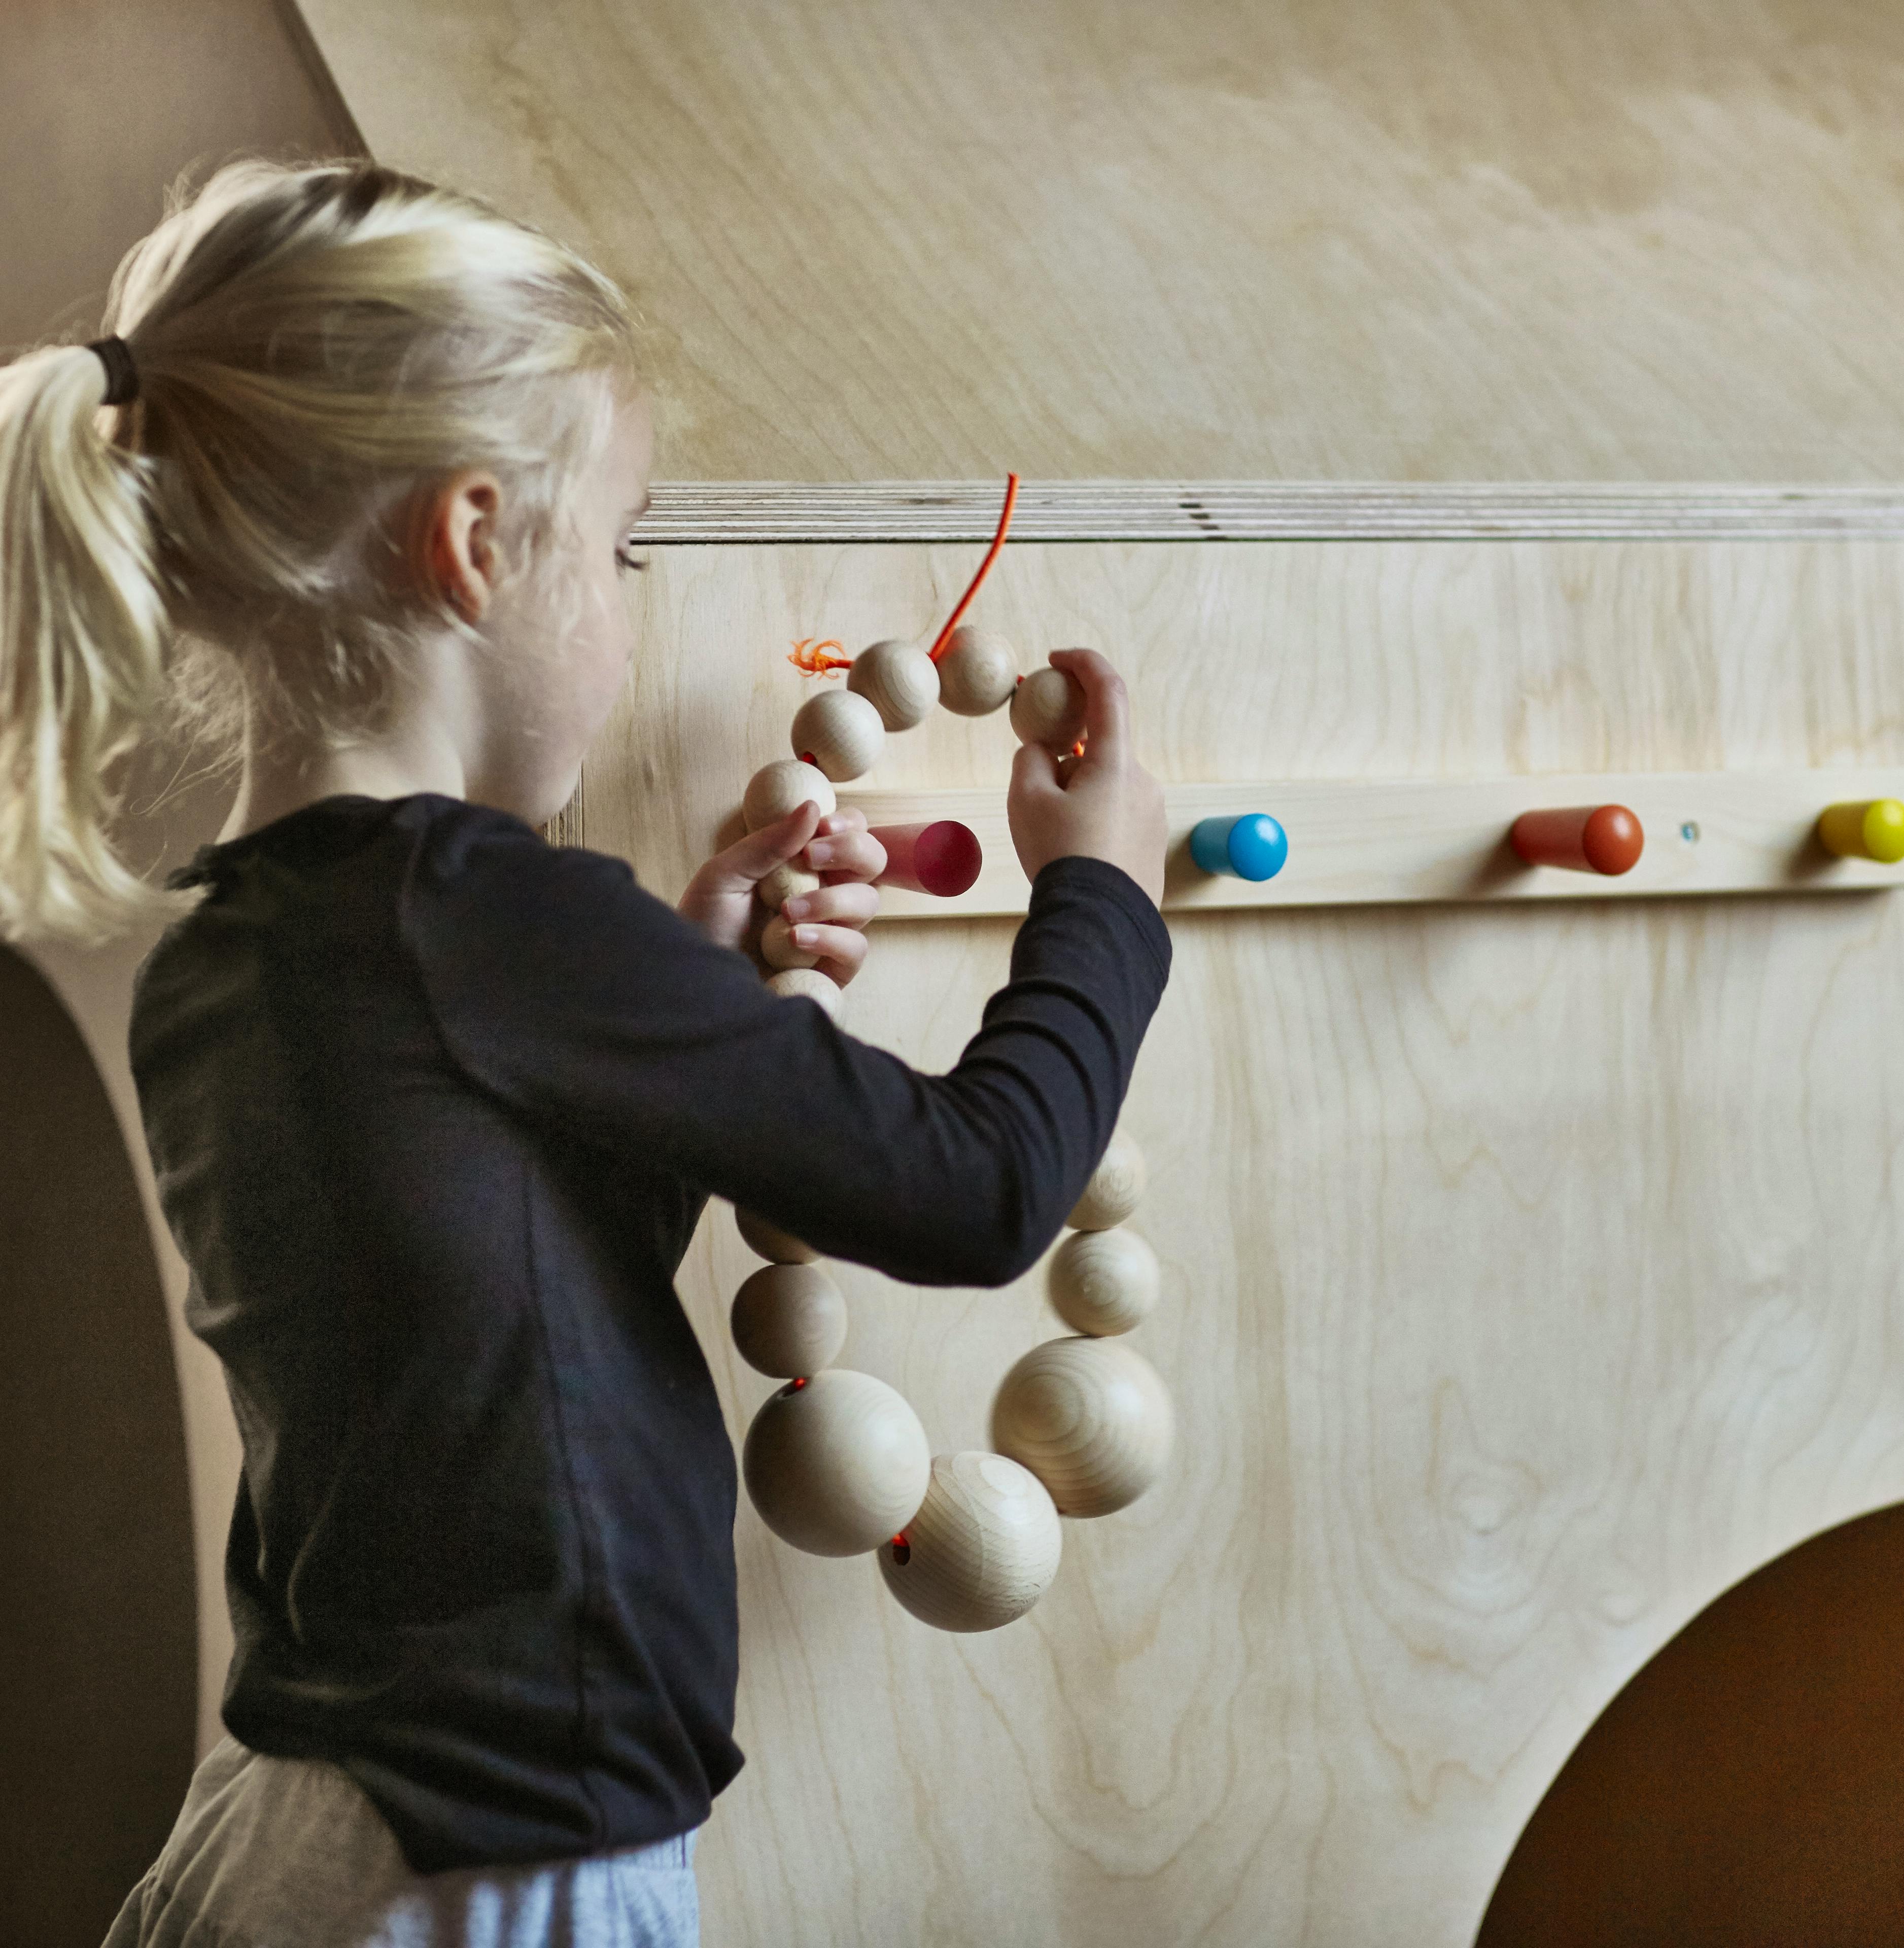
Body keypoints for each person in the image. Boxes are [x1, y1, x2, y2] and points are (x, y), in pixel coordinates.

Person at [0, 160, 1169, 1945]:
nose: (627, 611)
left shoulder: (231, 946)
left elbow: (511, 1296)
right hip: (499, 1858)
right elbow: (984, 1189)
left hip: (316, 1821)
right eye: (621, 549)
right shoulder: (484, 914)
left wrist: (674, 979)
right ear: (475, 544)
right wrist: (1104, 892)